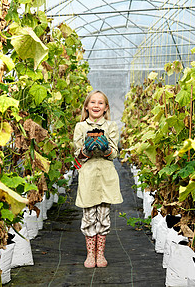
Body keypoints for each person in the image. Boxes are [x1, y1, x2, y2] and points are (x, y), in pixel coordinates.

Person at [73, 90, 123, 268]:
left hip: (106, 177)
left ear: (106, 107)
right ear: (86, 107)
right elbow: (77, 154)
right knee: (88, 217)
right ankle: (90, 255)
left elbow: (114, 154)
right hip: (88, 177)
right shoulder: (80, 127)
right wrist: (85, 150)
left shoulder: (111, 126)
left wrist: (106, 149)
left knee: (103, 216)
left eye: (100, 103)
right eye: (92, 102)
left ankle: (100, 254)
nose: (96, 105)